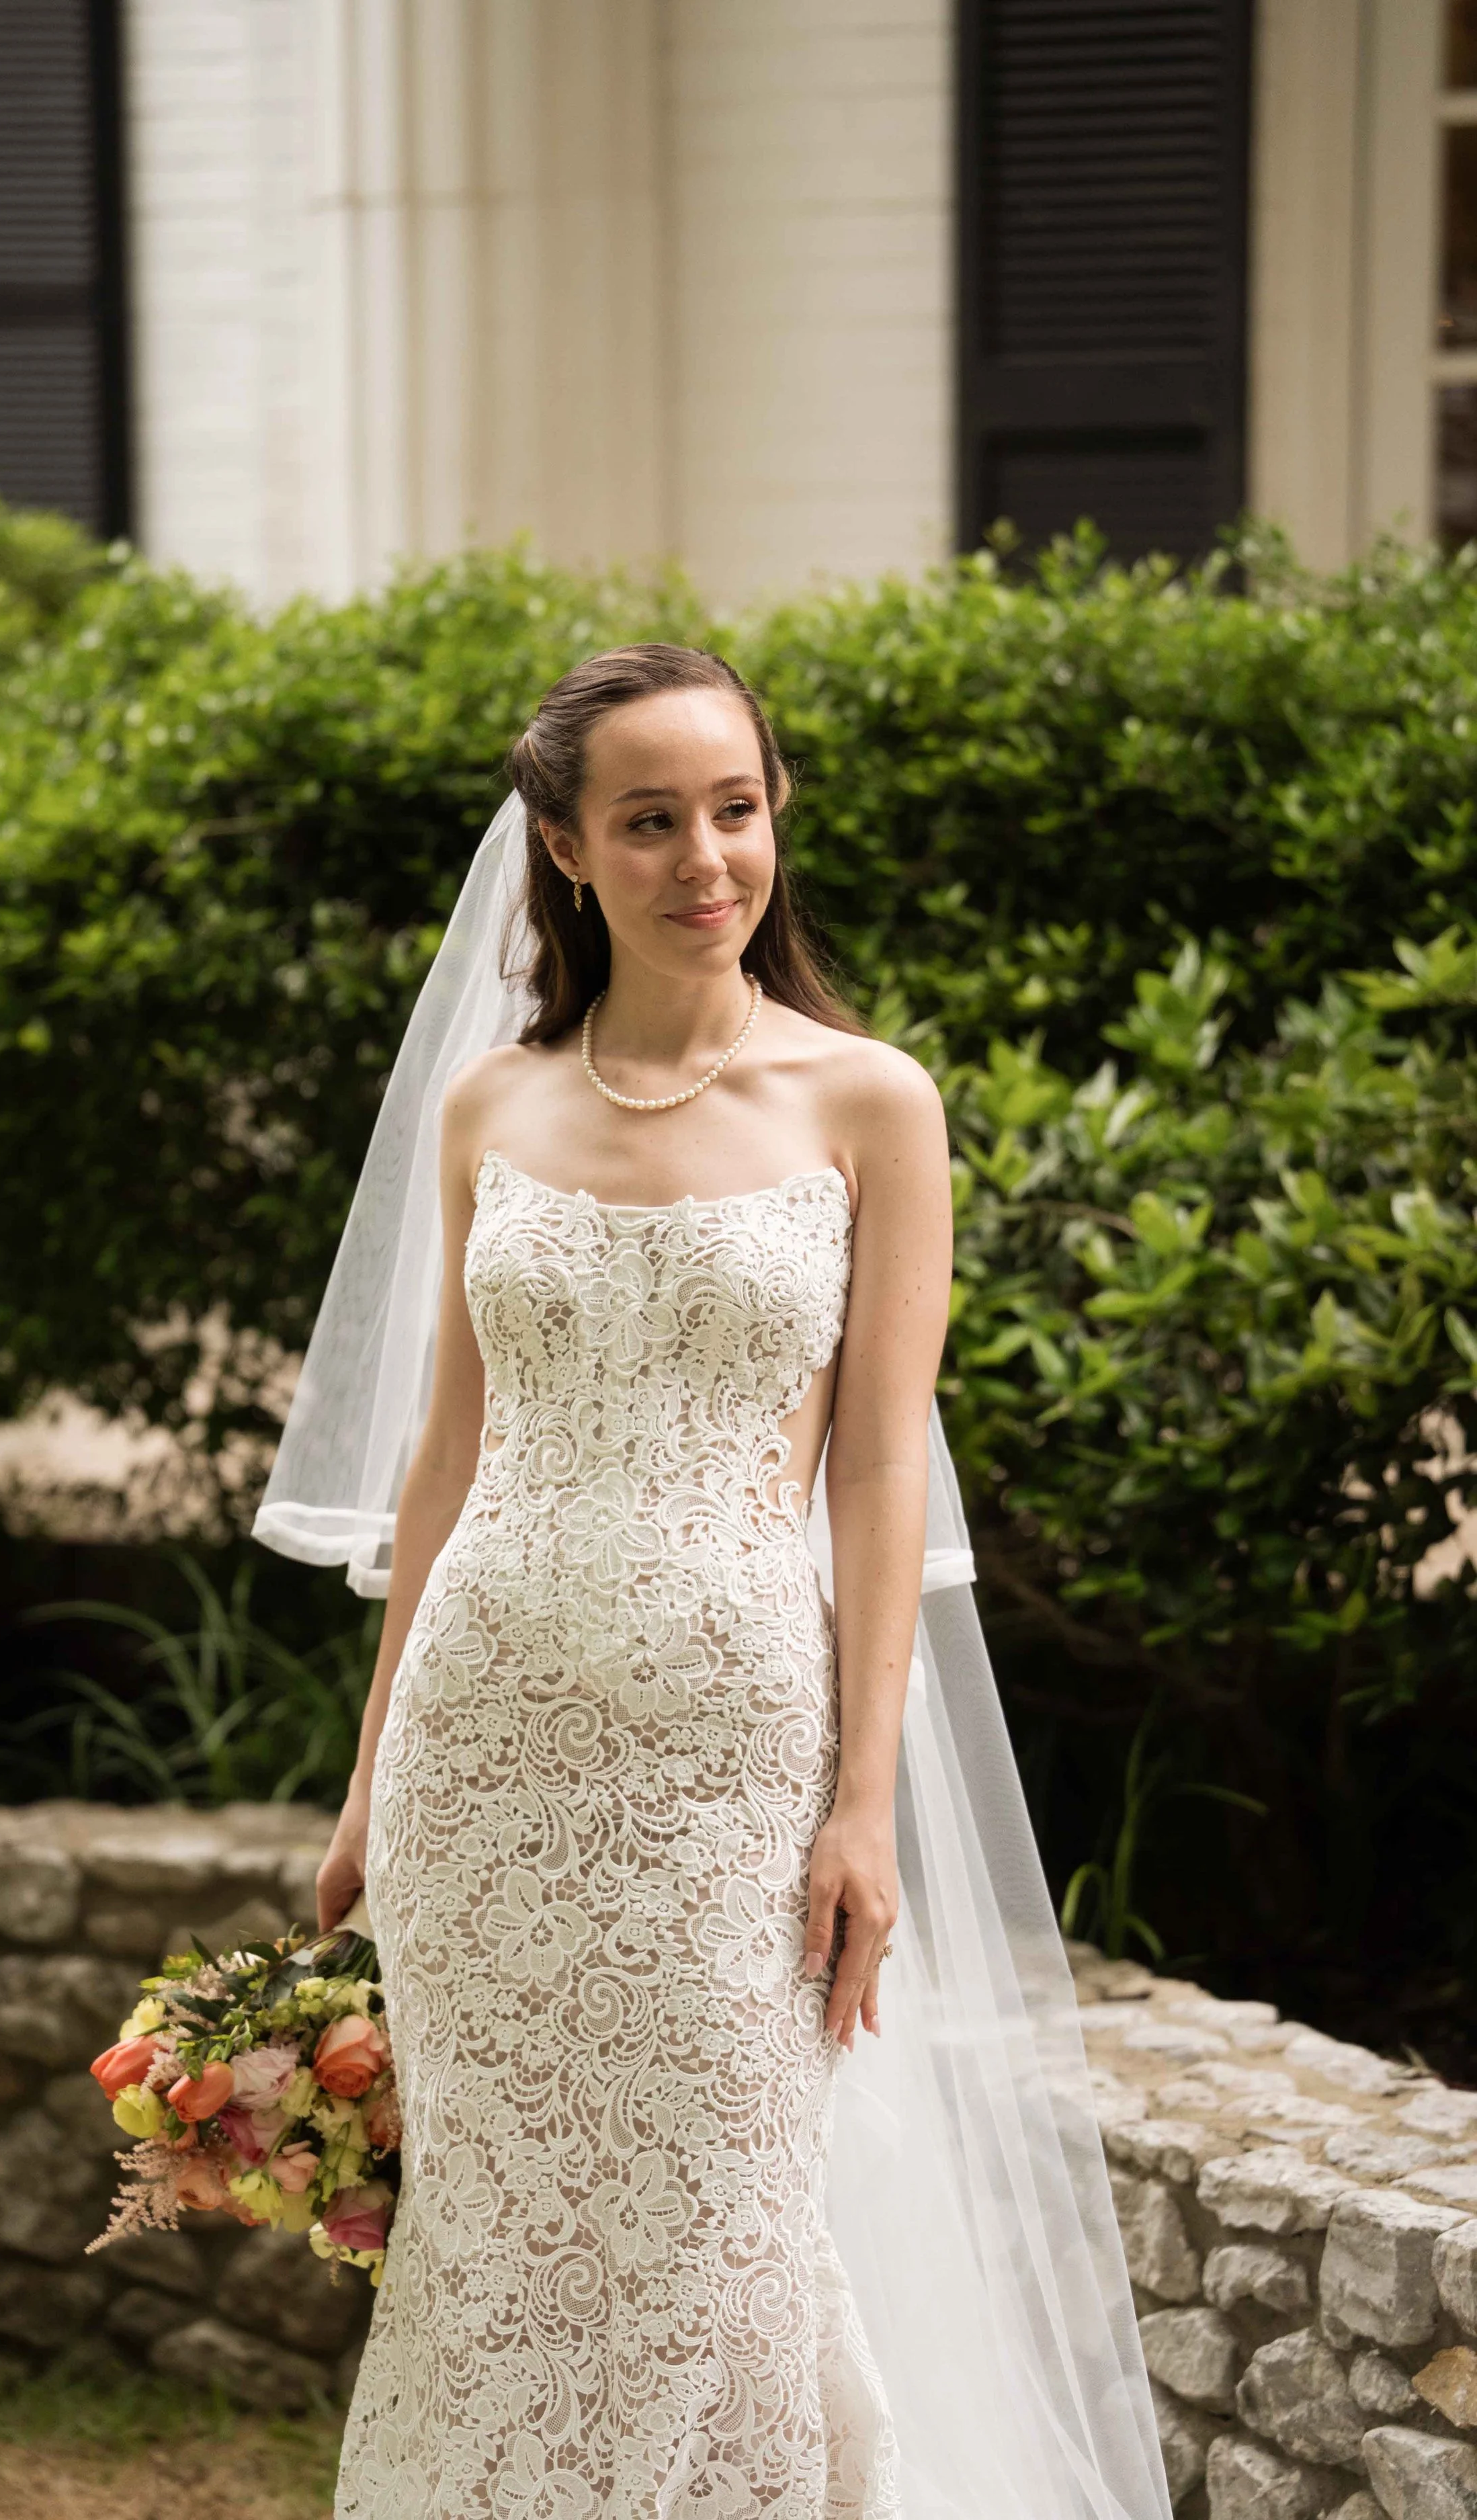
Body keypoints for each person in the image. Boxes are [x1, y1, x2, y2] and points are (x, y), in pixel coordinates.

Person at [254, 646, 1173, 2519]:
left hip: (729, 1750)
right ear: (565, 846)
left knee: (721, 2223)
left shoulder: (870, 1101)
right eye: (651, 820)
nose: (704, 859)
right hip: (480, 1749)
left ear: (775, 815)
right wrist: (366, 1783)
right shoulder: (490, 1106)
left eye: (735, 810)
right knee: (497, 2242)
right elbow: (444, 1460)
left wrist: (862, 1802)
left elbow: (878, 1466)